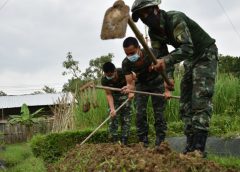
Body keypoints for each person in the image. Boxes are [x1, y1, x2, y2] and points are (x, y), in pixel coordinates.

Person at [131, 0, 218, 156]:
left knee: (200, 98)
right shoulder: (153, 33)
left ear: (156, 9)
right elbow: (162, 58)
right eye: (140, 17)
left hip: (205, 53)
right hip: (190, 60)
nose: (145, 19)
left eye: (146, 13)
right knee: (185, 103)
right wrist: (168, 80)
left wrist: (165, 61)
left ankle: (199, 147)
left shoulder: (175, 19)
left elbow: (187, 47)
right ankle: (190, 146)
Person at [121, 37, 173, 147]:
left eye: (132, 53)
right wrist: (129, 88)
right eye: (127, 54)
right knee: (140, 113)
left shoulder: (152, 53)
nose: (130, 56)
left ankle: (160, 142)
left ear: (139, 48)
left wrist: (167, 89)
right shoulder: (126, 63)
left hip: (157, 82)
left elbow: (167, 68)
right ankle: (143, 142)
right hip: (141, 85)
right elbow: (130, 83)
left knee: (159, 113)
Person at [101, 62, 132, 145]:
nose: (109, 77)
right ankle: (114, 142)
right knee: (113, 118)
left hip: (125, 95)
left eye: (111, 75)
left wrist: (131, 92)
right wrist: (112, 109)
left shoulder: (123, 72)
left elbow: (133, 78)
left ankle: (124, 141)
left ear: (115, 71)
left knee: (126, 119)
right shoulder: (104, 80)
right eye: (107, 75)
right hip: (113, 97)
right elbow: (108, 94)